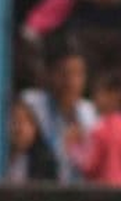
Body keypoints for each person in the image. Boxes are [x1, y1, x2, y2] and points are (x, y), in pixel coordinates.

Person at [21, 50, 98, 182]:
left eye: (78, 74)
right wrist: (63, 146)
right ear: (49, 74)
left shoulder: (89, 112)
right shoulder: (32, 104)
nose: (71, 82)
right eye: (64, 73)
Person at [7, 99, 59, 183]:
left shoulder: (45, 163)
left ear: (34, 127)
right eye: (14, 121)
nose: (19, 129)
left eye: (24, 121)